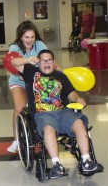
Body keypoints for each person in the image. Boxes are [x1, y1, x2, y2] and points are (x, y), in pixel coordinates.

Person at [11, 49, 103, 178]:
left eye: (50, 60)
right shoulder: (31, 72)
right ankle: (56, 165)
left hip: (63, 112)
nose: (47, 63)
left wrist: (78, 99)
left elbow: (72, 95)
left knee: (79, 123)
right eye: (43, 60)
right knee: (48, 128)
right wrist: (28, 60)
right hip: (43, 113)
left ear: (54, 62)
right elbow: (13, 62)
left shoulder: (61, 76)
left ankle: (86, 161)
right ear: (39, 62)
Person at [7, 21, 48, 153]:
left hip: (36, 81)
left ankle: (46, 135)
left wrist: (61, 72)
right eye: (26, 37)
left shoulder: (40, 44)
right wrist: (27, 60)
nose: (30, 40)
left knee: (44, 107)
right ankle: (16, 141)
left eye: (32, 37)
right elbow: (12, 62)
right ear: (20, 37)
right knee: (19, 108)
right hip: (17, 82)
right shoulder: (14, 47)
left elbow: (49, 59)